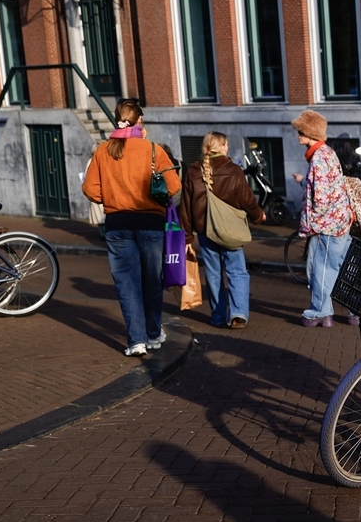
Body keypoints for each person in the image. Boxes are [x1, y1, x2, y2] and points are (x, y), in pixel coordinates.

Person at [83, 99, 182, 357]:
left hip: (117, 223)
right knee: (152, 280)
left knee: (126, 283)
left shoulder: (104, 150)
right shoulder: (152, 149)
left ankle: (136, 340)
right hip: (149, 222)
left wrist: (113, 197)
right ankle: (153, 333)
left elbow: (90, 189)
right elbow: (174, 186)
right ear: (139, 120)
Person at [178, 132, 265, 329]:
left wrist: (187, 235)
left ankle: (218, 316)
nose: (227, 148)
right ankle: (238, 314)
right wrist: (258, 216)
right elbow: (247, 199)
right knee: (237, 272)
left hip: (205, 231)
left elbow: (186, 205)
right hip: (230, 231)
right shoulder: (234, 171)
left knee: (213, 273)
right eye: (226, 144)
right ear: (222, 146)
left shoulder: (193, 171)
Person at [290, 110, 356, 327]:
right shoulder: (327, 153)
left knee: (322, 269)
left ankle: (321, 311)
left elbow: (321, 197)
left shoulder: (318, 158)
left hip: (328, 226)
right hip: (339, 223)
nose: (298, 135)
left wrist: (315, 223)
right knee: (342, 266)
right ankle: (354, 310)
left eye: (301, 131)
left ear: (311, 133)